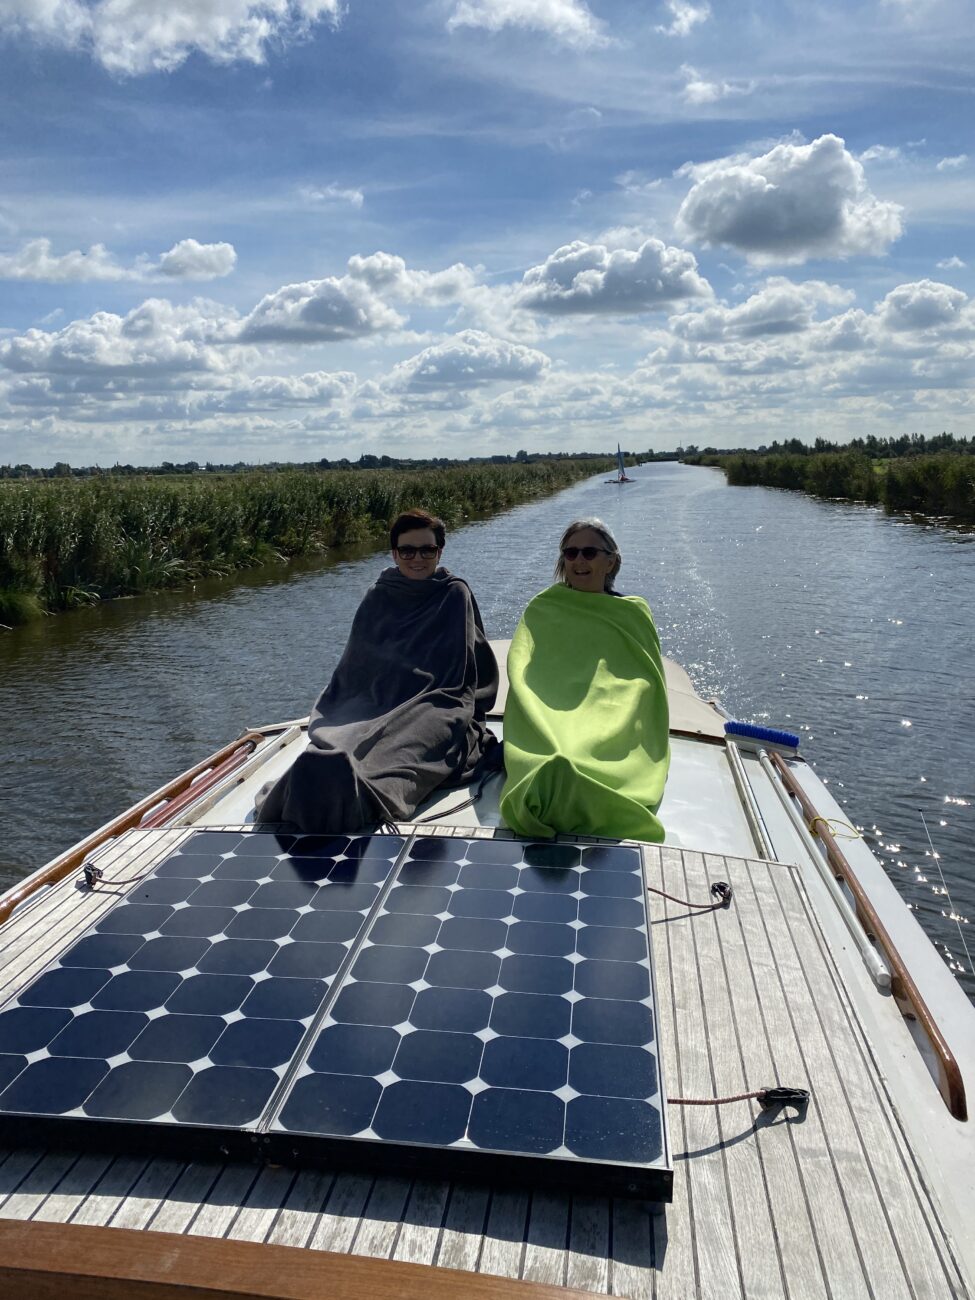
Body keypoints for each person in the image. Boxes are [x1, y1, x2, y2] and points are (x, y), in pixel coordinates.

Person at [257, 509, 500, 833]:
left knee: (412, 740)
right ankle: (326, 776)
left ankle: (367, 797)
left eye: (427, 550)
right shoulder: (378, 594)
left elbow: (460, 671)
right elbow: (356, 666)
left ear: (439, 551)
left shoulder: (454, 593)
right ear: (394, 553)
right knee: (342, 737)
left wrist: (421, 697)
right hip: (371, 698)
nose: (418, 558)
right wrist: (374, 695)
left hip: (437, 698)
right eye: (407, 550)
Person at [499, 517, 670, 841]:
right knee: (557, 753)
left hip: (615, 700)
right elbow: (524, 664)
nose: (579, 561)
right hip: (552, 703)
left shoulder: (633, 612)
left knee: (583, 749)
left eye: (589, 553)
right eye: (571, 553)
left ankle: (581, 780)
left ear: (611, 561)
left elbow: (645, 674)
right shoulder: (544, 606)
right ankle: (558, 773)